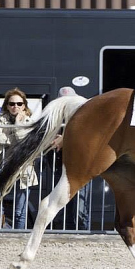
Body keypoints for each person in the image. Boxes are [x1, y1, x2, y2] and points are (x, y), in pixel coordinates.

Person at [0, 88, 38, 229]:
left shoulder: (29, 120)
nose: (15, 106)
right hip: (3, 164)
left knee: (19, 211)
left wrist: (17, 124)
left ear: (24, 105)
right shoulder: (1, 119)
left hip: (24, 168)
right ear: (7, 105)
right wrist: (14, 136)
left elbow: (24, 139)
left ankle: (18, 238)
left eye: (19, 104)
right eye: (11, 104)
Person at [50, 86, 90, 230]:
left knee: (80, 205)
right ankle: (59, 230)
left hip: (80, 168)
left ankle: (82, 232)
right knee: (58, 202)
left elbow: (87, 138)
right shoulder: (55, 120)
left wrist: (65, 138)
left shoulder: (83, 117)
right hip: (60, 165)